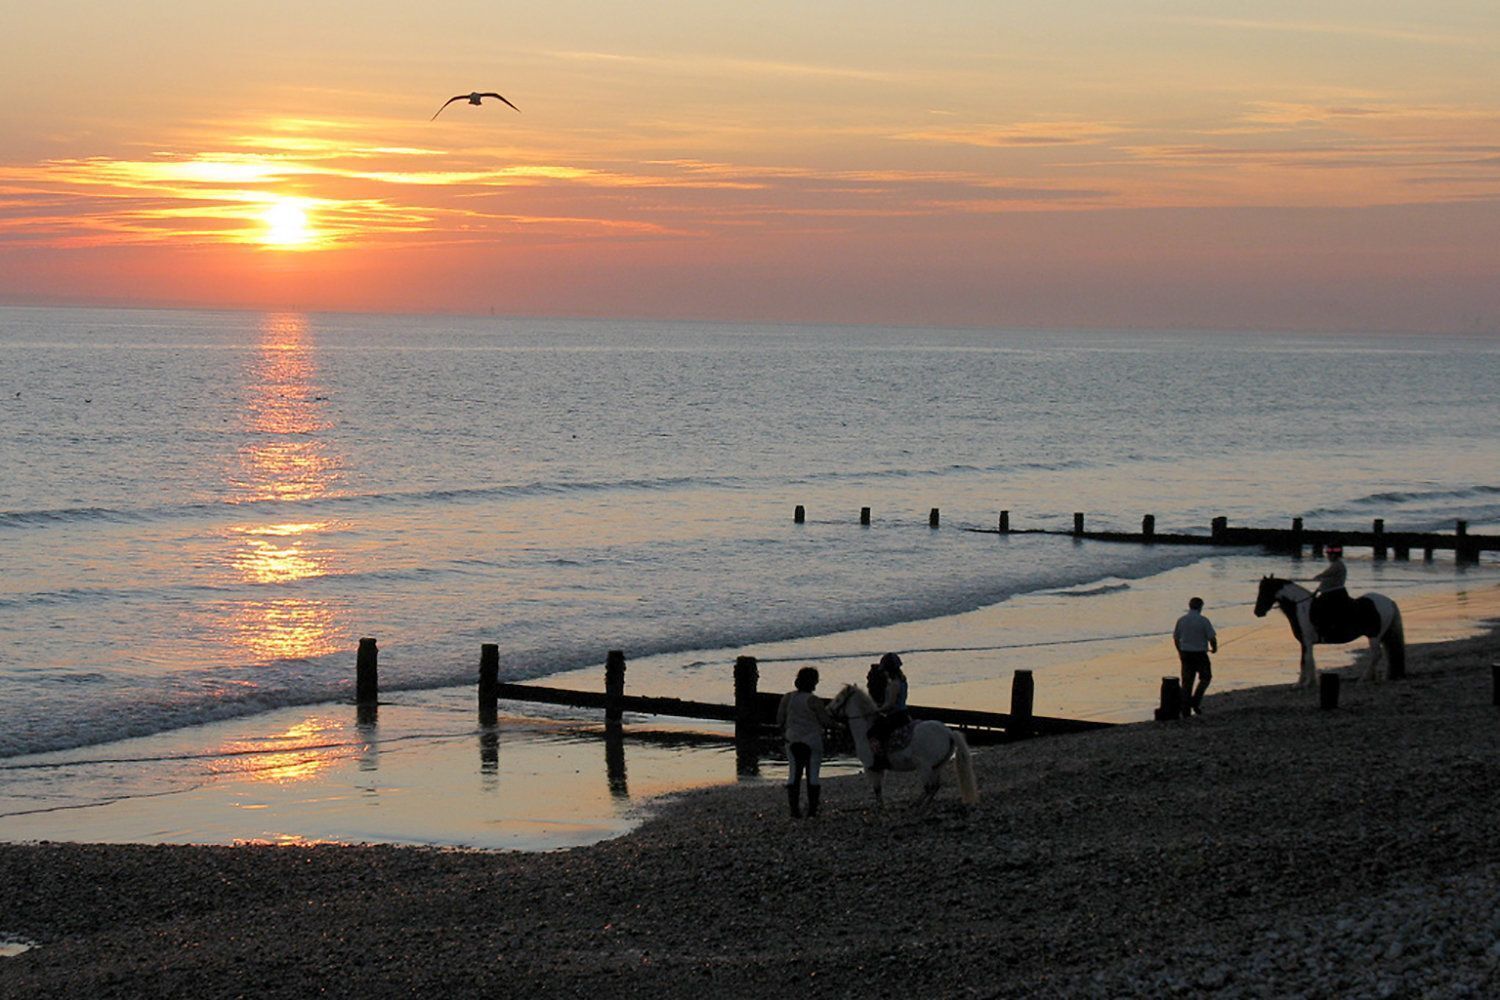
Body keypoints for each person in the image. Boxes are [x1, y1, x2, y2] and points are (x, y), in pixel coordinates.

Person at [775, 666, 832, 818]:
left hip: (792, 739)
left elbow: (780, 719)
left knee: (794, 773)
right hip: (812, 740)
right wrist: (839, 726)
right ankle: (812, 811)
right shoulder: (814, 700)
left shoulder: (787, 697)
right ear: (813, 682)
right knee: (813, 775)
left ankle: (794, 810)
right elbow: (825, 721)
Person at [1172, 597, 1217, 716]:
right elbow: (1212, 638)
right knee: (1206, 677)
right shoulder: (1203, 620)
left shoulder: (1181, 620)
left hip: (1185, 653)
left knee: (1187, 682)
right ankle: (1195, 701)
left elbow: (1176, 638)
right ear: (1200, 607)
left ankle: (1186, 709)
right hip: (1200, 654)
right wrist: (1214, 648)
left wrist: (1180, 651)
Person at [866, 652, 911, 769]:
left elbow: (890, 704)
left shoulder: (894, 684)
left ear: (888, 670)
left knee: (874, 732)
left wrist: (876, 710)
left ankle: (879, 760)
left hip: (896, 716)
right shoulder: (903, 681)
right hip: (904, 713)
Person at [1310, 545, 1353, 638]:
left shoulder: (1337, 565)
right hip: (1329, 592)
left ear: (1334, 555)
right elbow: (1327, 580)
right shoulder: (1336, 564)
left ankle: (1323, 629)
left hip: (1334, 593)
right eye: (1328, 554)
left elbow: (1325, 575)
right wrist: (1318, 589)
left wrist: (1317, 577)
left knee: (1319, 609)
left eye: (1329, 555)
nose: (1328, 556)